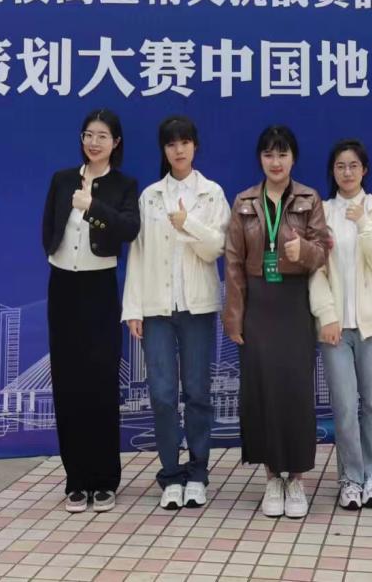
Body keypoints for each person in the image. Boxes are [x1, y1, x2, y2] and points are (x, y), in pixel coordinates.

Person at [122, 115, 229, 510]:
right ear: (164, 150)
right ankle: (170, 474)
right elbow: (137, 254)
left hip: (198, 308)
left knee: (198, 393)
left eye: (185, 142)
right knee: (163, 395)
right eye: (171, 144)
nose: (179, 150)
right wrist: (134, 308)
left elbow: (216, 248)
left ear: (195, 146)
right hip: (157, 310)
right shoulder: (150, 196)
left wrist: (188, 224)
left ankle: (198, 473)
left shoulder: (211, 193)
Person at [223, 125, 328, 519]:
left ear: (293, 158)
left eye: (282, 154)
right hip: (258, 304)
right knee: (262, 391)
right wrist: (235, 315)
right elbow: (233, 262)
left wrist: (305, 251)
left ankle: (296, 478)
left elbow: (324, 251)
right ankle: (271, 478)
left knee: (296, 391)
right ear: (260, 159)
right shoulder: (244, 202)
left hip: (294, 303)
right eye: (269, 154)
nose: (276, 161)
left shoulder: (309, 199)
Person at [41, 108, 140, 513]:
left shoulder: (123, 185)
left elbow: (129, 229)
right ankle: (76, 480)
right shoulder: (62, 179)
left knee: (100, 383)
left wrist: (93, 206)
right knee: (68, 384)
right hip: (63, 285)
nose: (94, 142)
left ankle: (104, 480)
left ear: (116, 142)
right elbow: (48, 228)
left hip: (100, 287)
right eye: (88, 135)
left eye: (102, 136)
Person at [309, 139, 372, 510]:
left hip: (371, 325)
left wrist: (362, 221)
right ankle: (350, 476)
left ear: (365, 170)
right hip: (335, 328)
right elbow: (314, 269)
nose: (347, 172)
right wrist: (326, 315)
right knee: (345, 406)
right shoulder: (322, 211)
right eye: (340, 166)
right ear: (332, 171)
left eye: (353, 166)